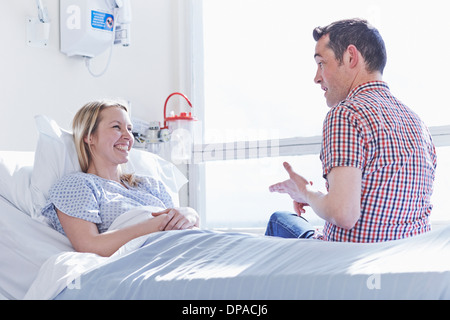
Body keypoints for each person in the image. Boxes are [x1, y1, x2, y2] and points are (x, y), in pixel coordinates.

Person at [266, 19, 437, 242]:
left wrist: (305, 192)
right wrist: (315, 197)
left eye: (321, 63)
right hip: (402, 264)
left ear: (350, 57)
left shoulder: (346, 114)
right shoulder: (418, 124)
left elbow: (343, 214)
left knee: (279, 219)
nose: (317, 78)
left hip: (345, 264)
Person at [42, 100, 199, 256]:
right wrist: (154, 225)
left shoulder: (150, 185)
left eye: (130, 129)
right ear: (89, 137)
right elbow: (90, 245)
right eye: (117, 127)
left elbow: (178, 228)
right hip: (153, 257)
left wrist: (190, 215)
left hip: (188, 247)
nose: (128, 136)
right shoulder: (76, 185)